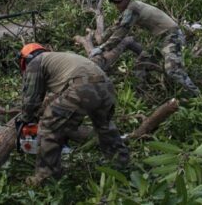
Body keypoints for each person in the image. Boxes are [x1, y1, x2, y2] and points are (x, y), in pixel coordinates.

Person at [17, 43, 129, 187]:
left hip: (81, 87)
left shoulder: (36, 62)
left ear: (25, 59)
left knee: (48, 128)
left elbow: (31, 98)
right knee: (105, 127)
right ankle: (121, 164)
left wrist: (26, 119)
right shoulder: (59, 58)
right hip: (106, 86)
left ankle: (45, 178)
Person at [90, 0, 200, 97]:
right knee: (141, 64)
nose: (116, 5)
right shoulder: (128, 9)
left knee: (173, 70)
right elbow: (115, 27)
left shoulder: (133, 8)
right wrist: (101, 38)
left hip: (171, 36)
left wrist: (102, 48)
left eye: (118, 1)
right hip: (159, 39)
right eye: (114, 2)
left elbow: (121, 32)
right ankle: (141, 96)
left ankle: (197, 95)